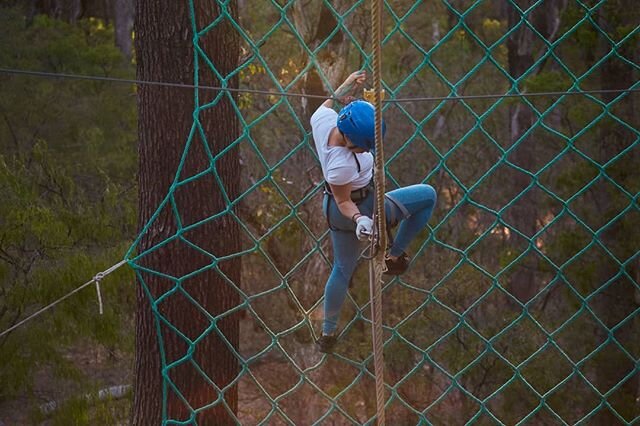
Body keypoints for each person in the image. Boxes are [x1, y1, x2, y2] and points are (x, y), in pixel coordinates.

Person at [310, 70, 437, 353]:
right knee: (427, 196)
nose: (363, 151)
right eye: (361, 147)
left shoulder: (325, 121)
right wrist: (360, 219)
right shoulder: (341, 163)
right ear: (349, 139)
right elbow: (345, 201)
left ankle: (327, 333)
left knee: (342, 269)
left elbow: (327, 103)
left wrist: (346, 85)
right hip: (356, 205)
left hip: (332, 208)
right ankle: (394, 256)